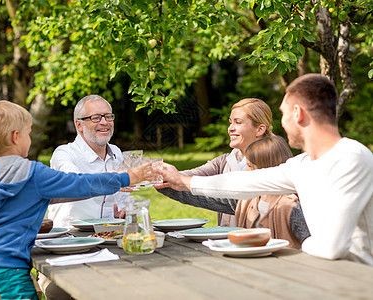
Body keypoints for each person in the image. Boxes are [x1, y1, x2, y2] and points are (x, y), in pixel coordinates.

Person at [155, 74, 373, 265]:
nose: (282, 123)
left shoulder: (350, 158)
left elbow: (332, 248)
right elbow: (244, 182)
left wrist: (290, 244)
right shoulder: (302, 165)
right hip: (321, 272)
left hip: (357, 278)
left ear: (297, 113)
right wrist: (182, 181)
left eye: (283, 114)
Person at [0, 100, 152, 300]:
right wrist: (127, 177)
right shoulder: (33, 174)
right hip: (12, 269)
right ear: (16, 137)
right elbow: (81, 184)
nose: (31, 139)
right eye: (29, 133)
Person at [157, 98, 273, 226]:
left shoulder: (272, 165)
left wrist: (177, 181)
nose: (230, 129)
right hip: (225, 242)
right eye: (230, 123)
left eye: (238, 122)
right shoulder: (224, 162)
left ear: (259, 129)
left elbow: (236, 202)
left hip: (261, 243)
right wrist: (157, 175)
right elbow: (188, 176)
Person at [48, 95, 131, 227]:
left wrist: (127, 210)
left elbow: (124, 196)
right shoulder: (64, 154)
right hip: (71, 239)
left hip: (110, 234)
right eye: (96, 118)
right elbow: (77, 183)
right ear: (79, 125)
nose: (104, 122)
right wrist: (113, 180)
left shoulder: (116, 152)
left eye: (108, 116)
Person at [237, 135, 309, 249]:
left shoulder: (289, 206)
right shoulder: (249, 200)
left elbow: (310, 242)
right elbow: (214, 201)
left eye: (250, 166)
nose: (245, 171)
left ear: (265, 169)